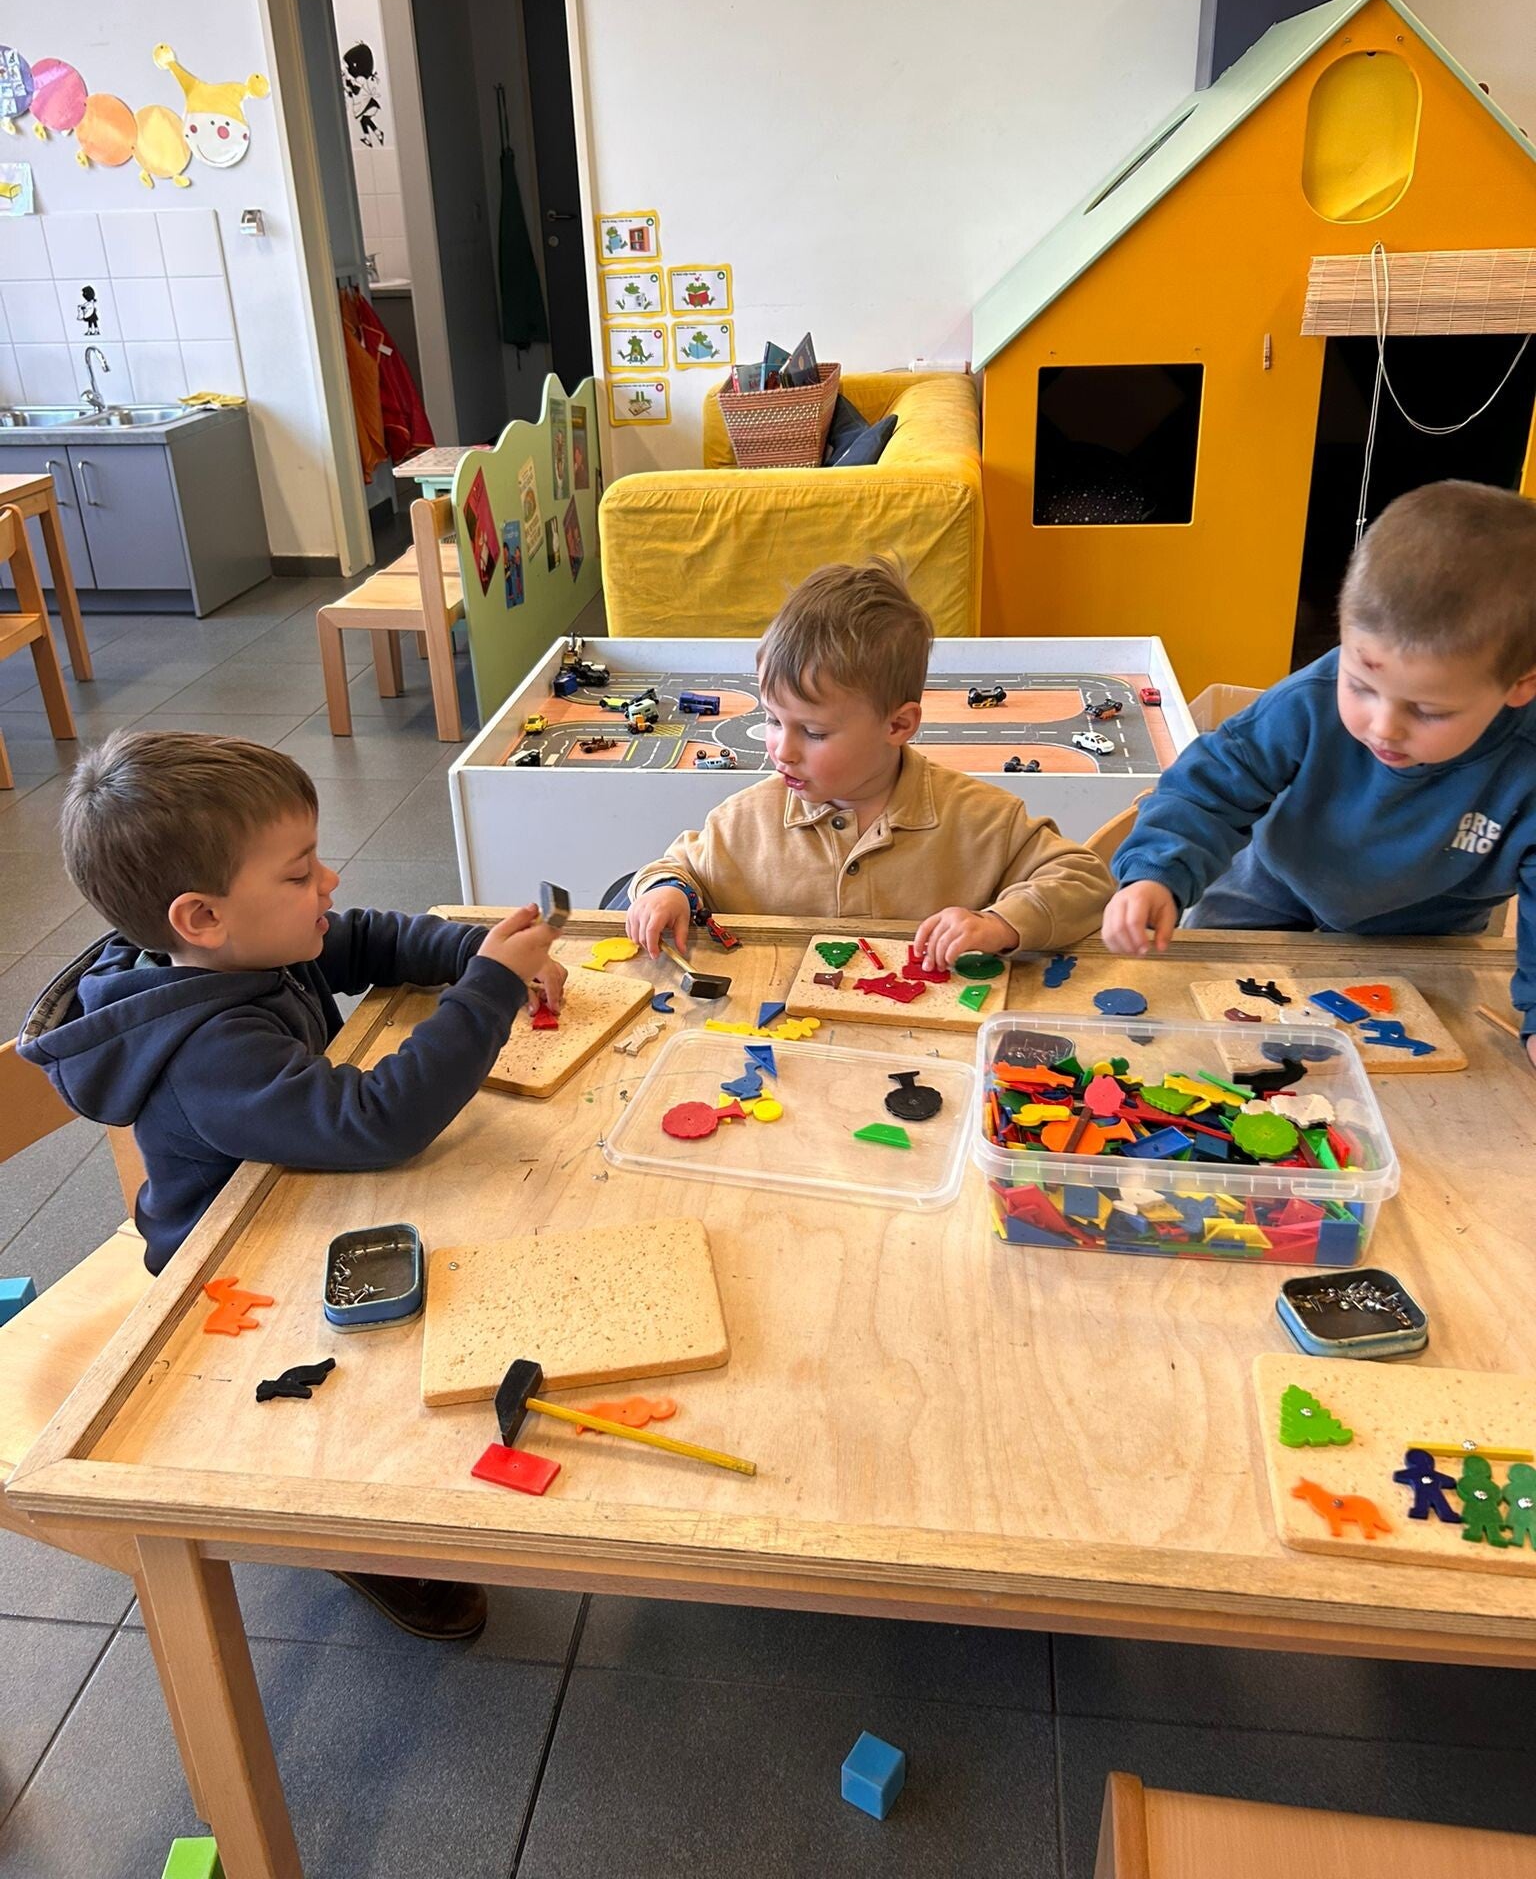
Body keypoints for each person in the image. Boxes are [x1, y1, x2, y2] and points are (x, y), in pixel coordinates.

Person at [19, 730, 566, 1641]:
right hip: (230, 1274)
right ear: (201, 916)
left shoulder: (248, 946)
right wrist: (489, 993)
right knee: (375, 1368)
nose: (329, 884)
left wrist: (474, 950)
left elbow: (370, 938)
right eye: (301, 872)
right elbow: (378, 1119)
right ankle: (346, 1525)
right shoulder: (210, 1048)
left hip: (291, 1199)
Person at [1101, 482, 1536, 1059]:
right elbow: (1211, 786)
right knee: (1213, 1031)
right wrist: (1157, 873)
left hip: (1425, 929)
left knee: (1394, 1069)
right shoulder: (1308, 700)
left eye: (1428, 711)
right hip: (1266, 890)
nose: (1383, 727)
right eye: (1360, 684)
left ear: (1521, 685)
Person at [626, 559, 1113, 964]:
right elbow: (675, 870)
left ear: (898, 725)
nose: (781, 749)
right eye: (773, 720)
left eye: (814, 732)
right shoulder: (741, 822)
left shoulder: (983, 819)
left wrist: (999, 924)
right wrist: (667, 893)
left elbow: (1086, 880)